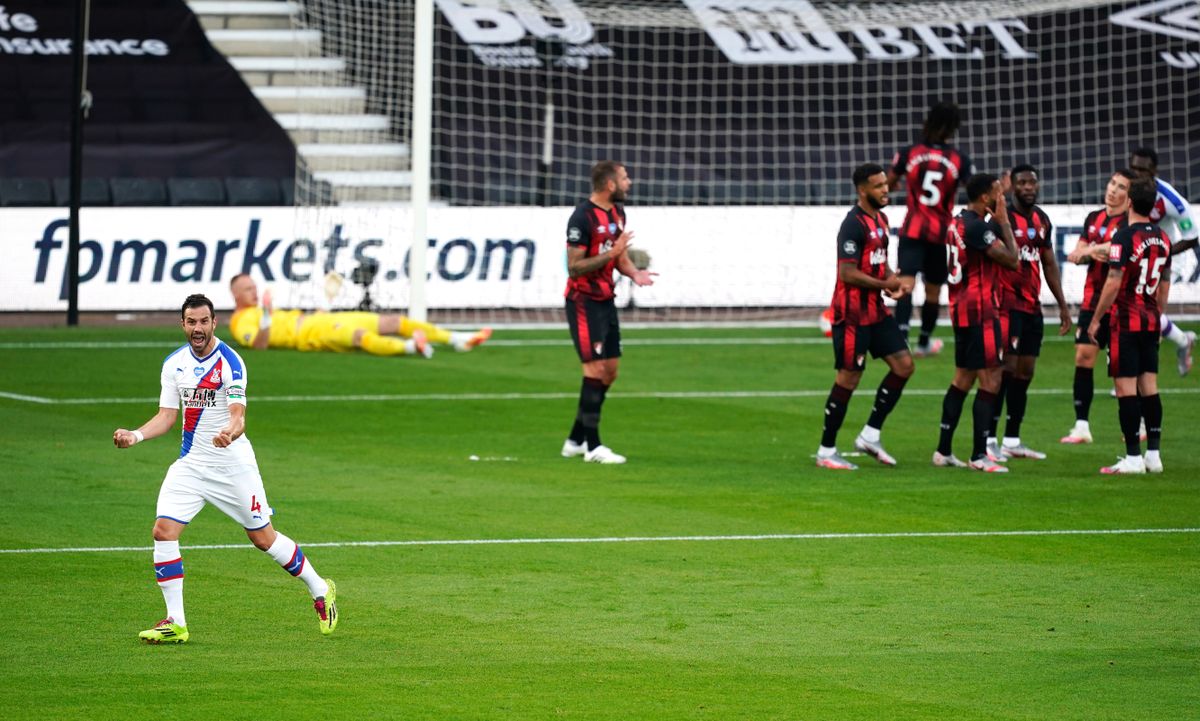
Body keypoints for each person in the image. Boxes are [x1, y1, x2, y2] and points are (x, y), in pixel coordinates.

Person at [113, 294, 338, 644]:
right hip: (191, 464)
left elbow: (238, 416)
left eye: (204, 321)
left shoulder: (231, 362)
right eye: (192, 322)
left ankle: (320, 587)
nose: (198, 328)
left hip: (232, 465)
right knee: (163, 531)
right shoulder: (174, 364)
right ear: (183, 324)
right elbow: (167, 416)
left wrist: (229, 433)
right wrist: (136, 435)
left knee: (262, 538)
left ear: (214, 323)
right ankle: (176, 622)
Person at [815, 163, 915, 470]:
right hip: (852, 314)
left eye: (885, 184)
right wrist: (885, 283)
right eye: (878, 185)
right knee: (849, 378)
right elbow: (847, 273)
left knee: (904, 366)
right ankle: (826, 451)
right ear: (862, 190)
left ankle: (870, 435)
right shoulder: (852, 225)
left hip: (876, 311)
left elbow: (878, 263)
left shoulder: (882, 220)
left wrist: (893, 283)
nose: (886, 189)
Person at [560, 161, 658, 464]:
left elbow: (620, 256)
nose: (630, 182)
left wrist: (633, 273)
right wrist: (611, 254)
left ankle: (575, 439)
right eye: (625, 178)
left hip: (605, 300)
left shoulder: (617, 212)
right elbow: (575, 267)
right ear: (610, 184)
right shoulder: (582, 217)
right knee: (594, 370)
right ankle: (593, 446)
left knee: (610, 371)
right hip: (583, 302)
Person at [985, 164, 1072, 462]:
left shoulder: (1042, 220)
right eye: (1022, 183)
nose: (1028, 188)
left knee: (1025, 372)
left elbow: (1048, 263)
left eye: (1032, 183)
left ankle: (1012, 439)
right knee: (1005, 370)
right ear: (1013, 186)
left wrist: (1061, 305)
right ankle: (988, 440)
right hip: (1005, 305)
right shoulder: (999, 218)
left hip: (1031, 307)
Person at [933, 173, 1019, 472]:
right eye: (997, 193)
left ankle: (943, 450)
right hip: (981, 312)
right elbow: (1012, 259)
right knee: (991, 379)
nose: (1002, 198)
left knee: (963, 379)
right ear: (985, 198)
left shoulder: (958, 222)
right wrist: (1005, 220)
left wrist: (999, 193)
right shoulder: (976, 228)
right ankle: (979, 455)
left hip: (962, 310)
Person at [1086, 177, 1171, 474]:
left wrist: (1096, 318)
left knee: (1125, 390)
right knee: (1150, 387)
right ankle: (1154, 456)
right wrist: (1159, 316)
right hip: (1149, 320)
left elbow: (1113, 281)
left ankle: (1133, 457)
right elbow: (1164, 284)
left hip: (1125, 322)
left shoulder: (1123, 237)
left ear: (1130, 202)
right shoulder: (1163, 238)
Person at [888, 101, 976, 357]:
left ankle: (901, 340)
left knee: (905, 284)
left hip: (912, 230)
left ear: (927, 122)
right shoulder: (960, 160)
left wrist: (898, 186)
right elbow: (975, 194)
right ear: (953, 129)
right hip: (941, 233)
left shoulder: (909, 153)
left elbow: (888, 183)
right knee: (934, 291)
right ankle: (924, 342)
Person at [228, 273, 491, 358]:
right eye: (248, 289)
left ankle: (457, 338)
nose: (254, 291)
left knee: (394, 321)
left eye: (254, 287)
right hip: (310, 334)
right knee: (358, 336)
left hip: (318, 320)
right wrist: (264, 313)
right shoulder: (241, 321)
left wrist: (324, 302)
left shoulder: (263, 309)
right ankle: (411, 347)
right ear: (236, 295)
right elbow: (259, 345)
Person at [1061, 169, 1134, 444]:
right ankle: (1081, 426)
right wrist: (1092, 251)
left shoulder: (1129, 222)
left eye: (1121, 187)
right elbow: (1076, 255)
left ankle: (1137, 424)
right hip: (1093, 299)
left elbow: (1111, 251)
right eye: (1112, 183)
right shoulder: (1093, 218)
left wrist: (1091, 250)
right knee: (1083, 357)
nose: (1113, 190)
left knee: (1122, 368)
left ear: (1129, 196)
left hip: (1121, 301)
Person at [1128, 147, 1197, 375]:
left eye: (1143, 169)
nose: (1137, 173)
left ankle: (1134, 375)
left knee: (1144, 312)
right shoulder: (1123, 187)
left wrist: (1162, 253)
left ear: (1154, 170)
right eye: (1134, 168)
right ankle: (1183, 340)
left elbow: (1192, 237)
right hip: (1136, 258)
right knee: (1138, 312)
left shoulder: (1172, 201)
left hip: (1163, 261)